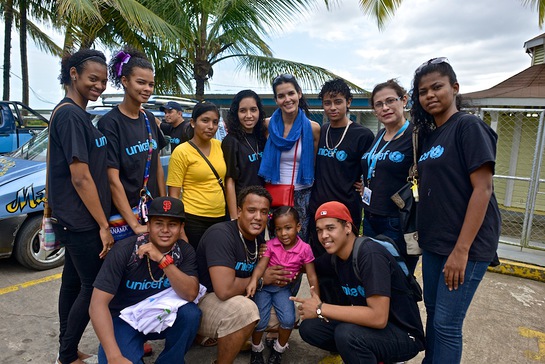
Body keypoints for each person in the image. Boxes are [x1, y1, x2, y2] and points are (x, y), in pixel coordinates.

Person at [410, 57, 501, 363]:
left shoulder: (468, 126)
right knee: (434, 314)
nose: (430, 95)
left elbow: (483, 189)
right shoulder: (430, 134)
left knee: (447, 325)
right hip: (436, 242)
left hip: (465, 246)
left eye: (437, 87)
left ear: (455, 88)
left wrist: (461, 250)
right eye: (423, 91)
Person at [293, 201, 425, 363]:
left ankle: (382, 354)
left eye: (330, 228)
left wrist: (320, 308)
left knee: (347, 335)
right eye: (319, 230)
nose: (323, 236)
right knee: (310, 328)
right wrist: (275, 264)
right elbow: (308, 266)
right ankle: (365, 354)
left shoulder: (369, 255)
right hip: (371, 328)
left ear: (348, 227)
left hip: (403, 335)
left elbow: (378, 317)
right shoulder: (336, 256)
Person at [49, 49, 113, 364]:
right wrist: (103, 225)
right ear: (74, 74)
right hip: (81, 219)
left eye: (103, 81)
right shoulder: (71, 114)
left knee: (73, 282)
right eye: (92, 79)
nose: (99, 86)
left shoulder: (77, 113)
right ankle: (66, 355)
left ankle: (68, 349)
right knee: (93, 285)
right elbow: (80, 177)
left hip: (75, 217)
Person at [89, 196, 201, 364]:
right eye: (158, 223)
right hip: (124, 319)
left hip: (162, 314)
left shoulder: (184, 251)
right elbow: (97, 305)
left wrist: (163, 260)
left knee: (191, 314)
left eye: (172, 224)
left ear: (181, 228)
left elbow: (191, 294)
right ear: (148, 226)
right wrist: (114, 356)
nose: (165, 230)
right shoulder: (124, 250)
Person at [196, 186, 295, 364]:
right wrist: (263, 279)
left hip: (236, 298)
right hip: (205, 300)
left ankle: (235, 336)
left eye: (264, 212)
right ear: (239, 211)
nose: (258, 217)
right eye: (252, 210)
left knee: (291, 312)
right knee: (246, 311)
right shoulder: (221, 235)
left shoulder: (259, 240)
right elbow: (224, 290)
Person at [98, 48, 167, 239]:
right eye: (141, 82)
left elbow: (157, 166)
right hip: (124, 220)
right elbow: (112, 179)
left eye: (151, 84)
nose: (147, 89)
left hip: (151, 213)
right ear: (125, 81)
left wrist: (162, 208)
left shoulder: (149, 118)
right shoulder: (110, 123)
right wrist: (134, 224)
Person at [308, 78, 374, 258]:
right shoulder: (322, 131)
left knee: (345, 261)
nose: (332, 107)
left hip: (346, 209)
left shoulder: (362, 135)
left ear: (348, 102)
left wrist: (366, 187)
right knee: (321, 261)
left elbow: (372, 170)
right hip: (318, 208)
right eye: (327, 103)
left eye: (338, 102)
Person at [361, 79, 419, 274]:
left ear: (404, 100)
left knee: (398, 278)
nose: (385, 108)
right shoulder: (379, 136)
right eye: (379, 104)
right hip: (370, 217)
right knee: (375, 275)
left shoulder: (415, 135)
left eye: (390, 101)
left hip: (397, 221)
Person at [246, 206, 318, 364]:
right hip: (264, 289)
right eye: (278, 229)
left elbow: (311, 275)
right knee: (259, 321)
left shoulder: (305, 249)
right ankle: (256, 349)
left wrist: (316, 297)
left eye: (288, 228)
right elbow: (261, 266)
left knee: (288, 320)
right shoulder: (270, 245)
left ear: (298, 227)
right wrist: (254, 280)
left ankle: (279, 349)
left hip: (283, 290)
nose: (283, 233)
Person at [258, 74, 321, 243]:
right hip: (275, 193)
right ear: (276, 100)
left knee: (300, 243)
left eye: (291, 93)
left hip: (303, 194)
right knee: (277, 241)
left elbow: (315, 163)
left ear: (299, 94)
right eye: (281, 96)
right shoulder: (267, 125)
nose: (287, 99)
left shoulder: (313, 128)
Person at [167, 101, 227, 250]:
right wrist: (180, 229)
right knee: (196, 266)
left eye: (214, 122)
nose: (211, 126)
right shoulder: (181, 152)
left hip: (221, 217)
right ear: (193, 123)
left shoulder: (221, 147)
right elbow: (174, 196)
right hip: (194, 220)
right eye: (205, 121)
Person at [222, 90, 266, 219]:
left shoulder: (262, 137)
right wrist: (234, 217)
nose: (249, 115)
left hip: (260, 206)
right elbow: (229, 181)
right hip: (242, 208)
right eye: (243, 111)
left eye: (253, 110)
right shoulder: (231, 141)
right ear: (236, 113)